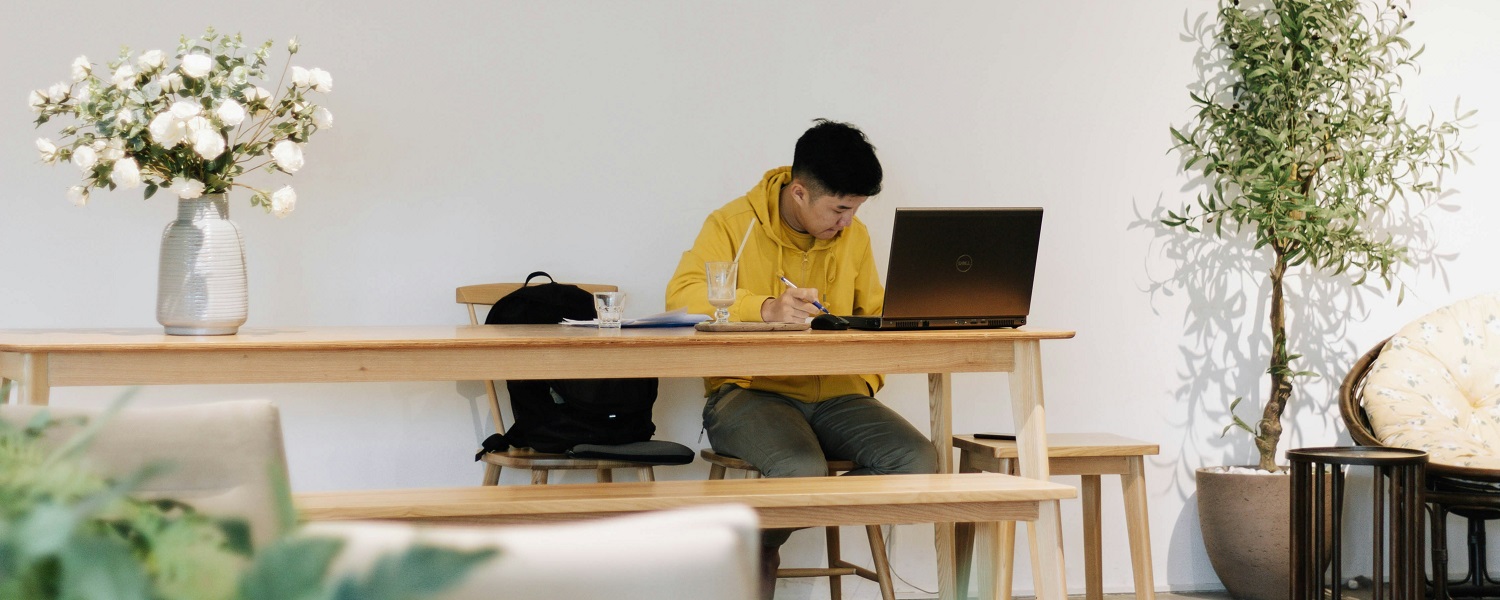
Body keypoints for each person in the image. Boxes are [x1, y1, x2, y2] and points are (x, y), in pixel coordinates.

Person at [665, 119, 940, 599]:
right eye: (839, 210)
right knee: (800, 469)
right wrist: (765, 308)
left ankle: (760, 533)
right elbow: (682, 297)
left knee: (916, 458)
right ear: (798, 193)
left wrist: (874, 369)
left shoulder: (855, 238)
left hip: (837, 394)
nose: (847, 223)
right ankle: (766, 534)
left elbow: (874, 313)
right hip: (748, 392)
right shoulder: (731, 225)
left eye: (854, 210)